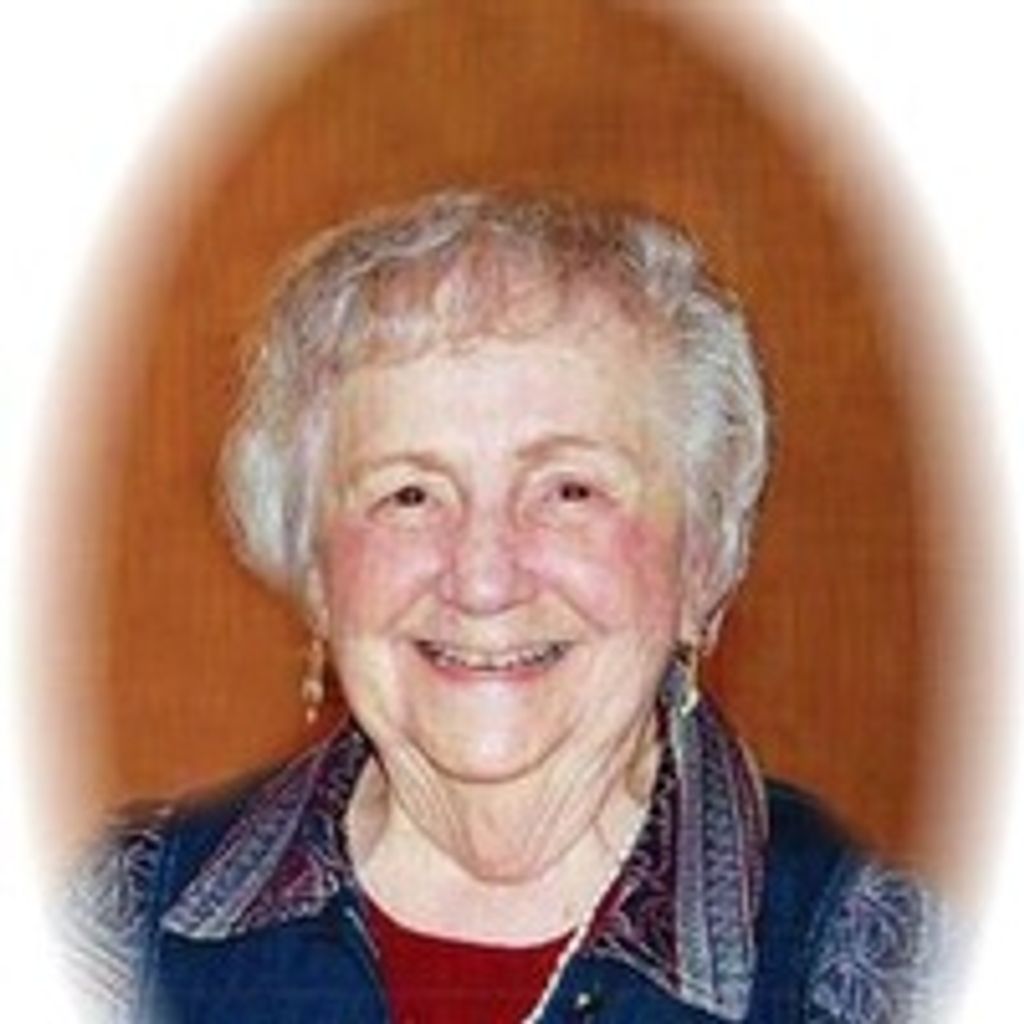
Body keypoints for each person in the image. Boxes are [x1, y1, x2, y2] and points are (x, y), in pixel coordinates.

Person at [64, 190, 948, 1022]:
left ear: (703, 563)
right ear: (318, 575)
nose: (482, 580)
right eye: (409, 494)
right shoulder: (109, 935)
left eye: (569, 491)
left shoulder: (886, 974)